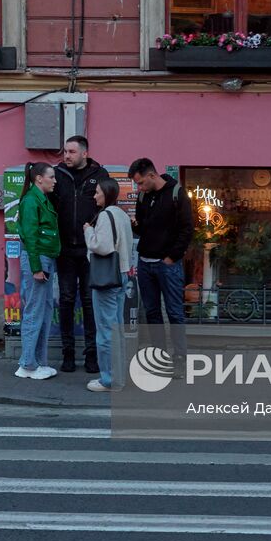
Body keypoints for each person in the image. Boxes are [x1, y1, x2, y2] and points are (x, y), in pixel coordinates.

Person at [52, 135, 113, 374]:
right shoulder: (56, 174)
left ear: (84, 153)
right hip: (65, 250)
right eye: (65, 152)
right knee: (66, 300)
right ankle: (68, 355)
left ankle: (91, 356)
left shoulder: (100, 175)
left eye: (71, 152)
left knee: (90, 302)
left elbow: (107, 207)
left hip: (90, 251)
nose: (66, 156)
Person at [128, 158, 193, 362]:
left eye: (140, 183)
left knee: (174, 312)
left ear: (152, 175)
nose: (139, 188)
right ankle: (160, 357)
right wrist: (134, 226)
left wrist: (172, 257)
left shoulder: (176, 194)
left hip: (167, 264)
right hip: (145, 263)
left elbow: (187, 229)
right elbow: (143, 228)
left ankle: (180, 358)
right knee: (152, 312)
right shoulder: (143, 197)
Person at [84, 177, 133, 392]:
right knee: (117, 329)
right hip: (121, 274)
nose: (95, 196)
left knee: (105, 331)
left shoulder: (105, 215)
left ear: (106, 193)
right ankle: (119, 377)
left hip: (107, 278)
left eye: (97, 192)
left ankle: (109, 379)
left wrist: (88, 230)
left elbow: (101, 246)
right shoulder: (122, 214)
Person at [15, 161, 60, 380]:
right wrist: (36, 267)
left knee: (44, 310)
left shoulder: (39, 199)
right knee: (34, 312)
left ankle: (38, 362)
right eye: (51, 177)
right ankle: (27, 364)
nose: (54, 180)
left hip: (44, 259)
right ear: (39, 178)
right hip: (39, 260)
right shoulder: (31, 200)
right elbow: (30, 236)